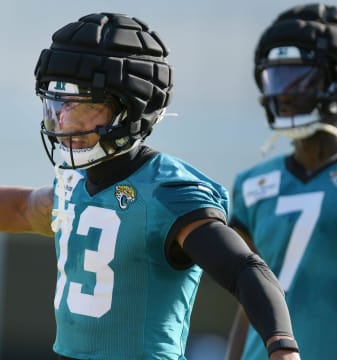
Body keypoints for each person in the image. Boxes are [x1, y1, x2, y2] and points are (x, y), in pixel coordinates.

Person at [0, 12, 300, 360]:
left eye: (80, 108)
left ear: (128, 110)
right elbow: (22, 208)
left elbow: (244, 268)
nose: (63, 121)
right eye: (56, 106)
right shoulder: (73, 185)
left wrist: (282, 346)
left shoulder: (166, 192)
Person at [226, 3, 337, 360]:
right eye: (276, 78)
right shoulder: (253, 184)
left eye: (299, 78)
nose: (284, 93)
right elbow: (248, 303)